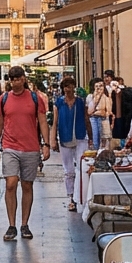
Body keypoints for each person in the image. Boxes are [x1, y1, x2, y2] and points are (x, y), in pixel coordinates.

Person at [0, 66, 50, 242]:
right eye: (12, 79)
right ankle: (11, 225)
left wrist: (46, 144)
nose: (15, 82)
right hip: (10, 146)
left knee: (27, 185)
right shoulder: (3, 99)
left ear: (24, 79)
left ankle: (24, 224)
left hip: (31, 147)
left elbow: (42, 121)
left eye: (18, 78)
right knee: (11, 183)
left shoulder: (35, 98)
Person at [50, 76, 89, 211]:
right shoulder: (58, 103)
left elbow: (86, 118)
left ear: (74, 87)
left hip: (80, 136)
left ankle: (81, 196)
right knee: (69, 171)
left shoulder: (80, 102)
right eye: (66, 86)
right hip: (65, 137)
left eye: (71, 86)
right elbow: (55, 122)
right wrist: (53, 139)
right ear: (63, 88)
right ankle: (71, 197)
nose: (69, 89)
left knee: (81, 167)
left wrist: (91, 137)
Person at [86, 77, 113, 150]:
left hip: (104, 119)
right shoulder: (90, 96)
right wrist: (96, 97)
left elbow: (109, 110)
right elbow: (90, 111)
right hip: (94, 119)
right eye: (96, 86)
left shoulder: (106, 97)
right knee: (95, 140)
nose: (99, 88)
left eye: (101, 86)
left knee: (105, 140)